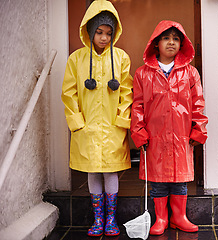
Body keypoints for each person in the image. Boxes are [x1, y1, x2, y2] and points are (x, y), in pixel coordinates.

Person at [61, 0, 133, 237]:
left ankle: (111, 219)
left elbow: (126, 92)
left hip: (113, 127)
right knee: (93, 171)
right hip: (88, 128)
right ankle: (97, 219)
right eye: (99, 32)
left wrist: (122, 121)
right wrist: (78, 123)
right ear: (90, 31)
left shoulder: (121, 58)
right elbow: (68, 93)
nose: (104, 38)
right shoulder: (76, 59)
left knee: (111, 171)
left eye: (109, 33)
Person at [130, 20, 208, 235]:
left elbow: (198, 102)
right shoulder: (142, 74)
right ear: (156, 43)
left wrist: (198, 129)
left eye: (176, 38)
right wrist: (139, 131)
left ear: (182, 44)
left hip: (181, 135)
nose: (171, 42)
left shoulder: (190, 73)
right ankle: (161, 219)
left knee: (180, 179)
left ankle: (179, 217)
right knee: (158, 181)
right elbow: (137, 105)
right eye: (166, 38)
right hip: (154, 136)